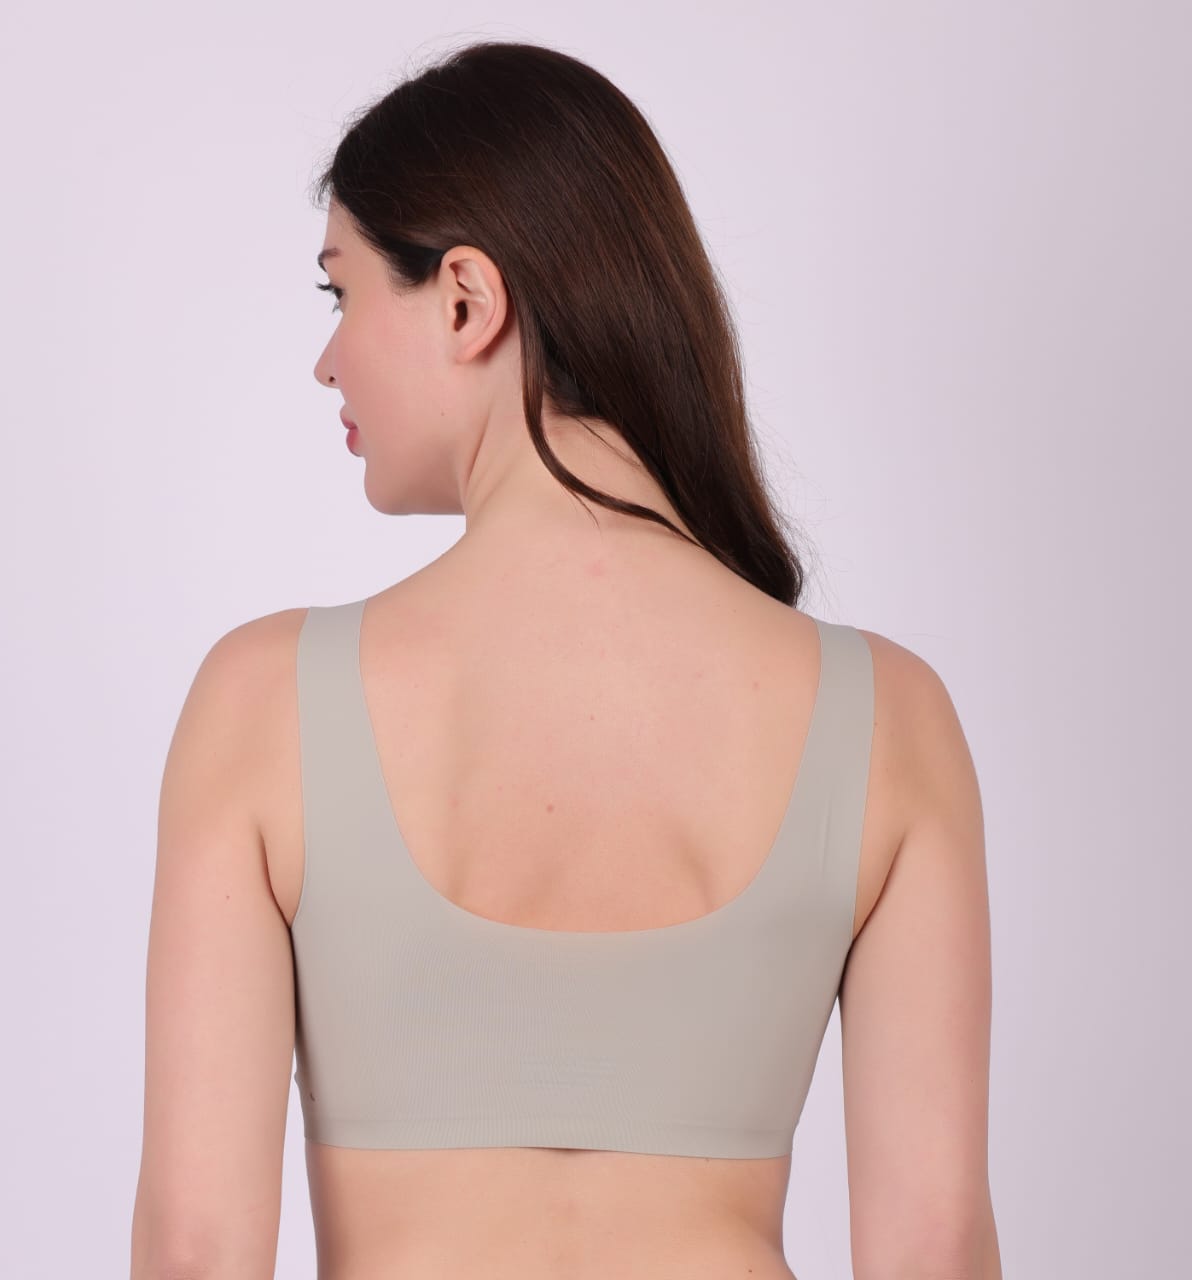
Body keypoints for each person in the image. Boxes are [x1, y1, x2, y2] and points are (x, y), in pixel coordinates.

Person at [130, 39, 1001, 1280]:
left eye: (340, 294)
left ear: (465, 300)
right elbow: (933, 1248)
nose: (327, 359)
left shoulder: (263, 702)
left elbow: (196, 1248)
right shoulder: (888, 717)